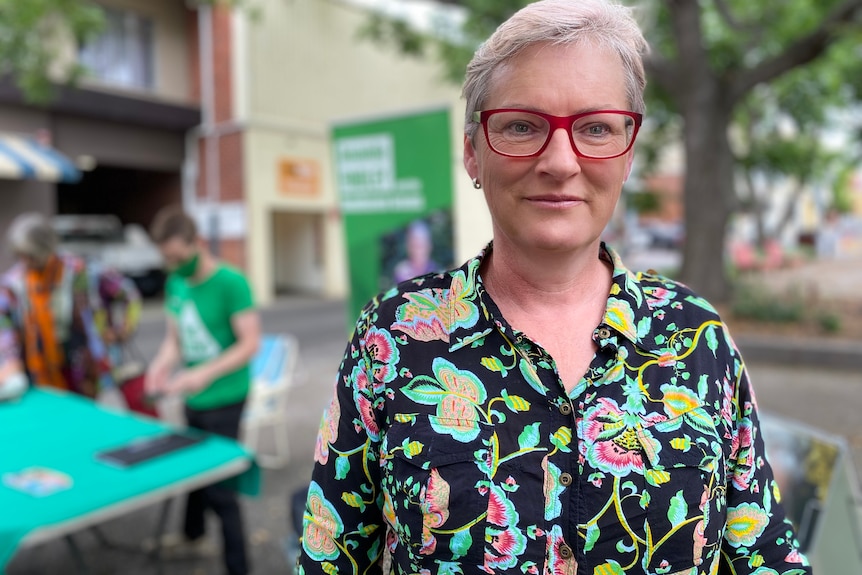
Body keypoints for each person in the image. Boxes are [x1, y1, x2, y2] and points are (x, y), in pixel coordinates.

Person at [298, 1, 812, 574]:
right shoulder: (391, 339)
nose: (561, 161)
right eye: (522, 125)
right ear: (473, 150)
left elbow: (764, 554)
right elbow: (332, 557)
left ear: (629, 153)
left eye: (594, 127)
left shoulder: (697, 338)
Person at [145, 205, 260, 575]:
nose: (173, 265)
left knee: (222, 492)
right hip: (192, 397)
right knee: (193, 474)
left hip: (226, 397)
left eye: (177, 257)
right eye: (166, 259)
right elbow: (175, 341)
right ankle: (191, 536)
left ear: (195, 243)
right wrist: (160, 366)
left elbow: (249, 343)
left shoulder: (231, 281)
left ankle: (239, 567)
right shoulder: (175, 282)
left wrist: (205, 374)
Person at [0, 212, 141, 400]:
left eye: (31, 256)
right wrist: (10, 366)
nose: (26, 263)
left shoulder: (81, 271)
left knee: (83, 420)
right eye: (21, 256)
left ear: (47, 248)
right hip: (37, 371)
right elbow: (4, 325)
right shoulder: (13, 284)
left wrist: (121, 330)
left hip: (82, 370)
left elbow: (128, 294)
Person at [392, 219, 439, 284]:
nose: (417, 251)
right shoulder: (401, 272)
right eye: (414, 245)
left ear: (429, 246)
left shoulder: (438, 271)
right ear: (408, 246)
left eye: (421, 245)